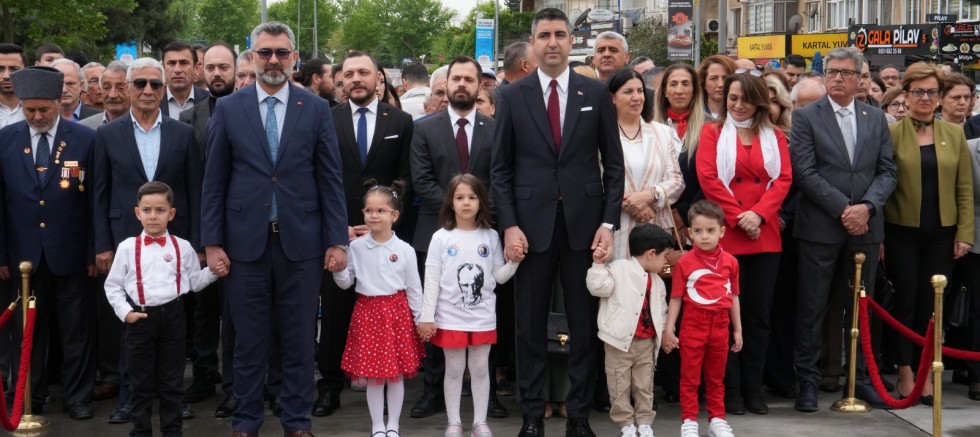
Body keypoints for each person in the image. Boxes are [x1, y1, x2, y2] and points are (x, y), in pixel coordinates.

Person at [202, 21, 349, 437]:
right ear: (251, 57)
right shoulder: (229, 108)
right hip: (243, 244)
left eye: (281, 53)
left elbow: (330, 179)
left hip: (302, 245)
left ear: (294, 58)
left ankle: (297, 421)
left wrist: (337, 240)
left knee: (299, 340)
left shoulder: (316, 109)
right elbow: (214, 180)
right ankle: (246, 422)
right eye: (264, 52)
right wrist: (212, 242)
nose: (272, 60)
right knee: (247, 341)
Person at [492, 8, 625, 437]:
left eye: (560, 34)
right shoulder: (513, 95)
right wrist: (509, 225)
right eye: (545, 35)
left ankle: (579, 415)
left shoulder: (595, 93)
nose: (553, 42)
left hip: (584, 227)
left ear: (571, 42)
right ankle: (532, 414)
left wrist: (608, 223)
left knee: (583, 326)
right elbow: (500, 169)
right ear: (533, 44)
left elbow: (614, 167)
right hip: (530, 229)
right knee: (529, 325)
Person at [790, 46, 896, 412]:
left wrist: (866, 207)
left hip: (866, 228)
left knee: (861, 307)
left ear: (859, 78)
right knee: (813, 307)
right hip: (820, 227)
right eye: (832, 72)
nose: (838, 78)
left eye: (846, 73)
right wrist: (843, 209)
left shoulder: (875, 118)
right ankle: (807, 379)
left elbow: (887, 172)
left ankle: (860, 378)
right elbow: (804, 172)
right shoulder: (807, 117)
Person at [315, 49, 414, 418]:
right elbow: (319, 176)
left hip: (384, 238)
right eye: (350, 74)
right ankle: (329, 387)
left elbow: (405, 178)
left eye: (364, 73)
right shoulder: (327, 119)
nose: (356, 79)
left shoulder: (400, 121)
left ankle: (385, 386)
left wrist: (383, 222)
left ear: (378, 79)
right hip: (339, 233)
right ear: (342, 80)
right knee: (335, 312)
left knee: (383, 315)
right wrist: (335, 224)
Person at [697, 70, 792, 415]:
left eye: (745, 99)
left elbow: (783, 179)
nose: (738, 105)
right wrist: (740, 217)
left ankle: (753, 388)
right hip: (728, 232)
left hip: (764, 233)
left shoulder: (774, 135)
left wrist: (759, 215)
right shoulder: (712, 132)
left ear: (759, 102)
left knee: (758, 316)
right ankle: (730, 390)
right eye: (733, 98)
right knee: (724, 315)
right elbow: (708, 179)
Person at [885, 62, 973, 405]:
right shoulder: (892, 133)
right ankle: (905, 370)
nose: (925, 97)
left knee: (932, 303)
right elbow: (884, 185)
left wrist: (964, 233)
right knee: (905, 301)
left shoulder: (954, 134)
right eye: (918, 91)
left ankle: (926, 371)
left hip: (942, 233)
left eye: (931, 92)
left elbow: (964, 189)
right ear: (906, 96)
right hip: (900, 231)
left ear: (939, 97)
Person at [103, 181, 222, 437]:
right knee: (140, 384)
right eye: (147, 210)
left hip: (174, 318)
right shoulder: (127, 248)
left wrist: (213, 271)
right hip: (140, 318)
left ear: (171, 213)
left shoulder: (182, 246)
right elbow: (113, 286)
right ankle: (141, 431)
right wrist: (126, 313)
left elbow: (194, 282)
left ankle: (172, 431)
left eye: (160, 210)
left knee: (172, 383)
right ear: (137, 213)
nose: (153, 216)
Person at [417, 174, 521, 437]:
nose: (466, 203)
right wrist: (427, 316)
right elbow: (432, 280)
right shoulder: (440, 238)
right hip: (450, 318)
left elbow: (499, 276)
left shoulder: (491, 236)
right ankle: (454, 422)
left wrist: (515, 261)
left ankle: (479, 423)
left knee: (480, 369)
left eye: (472, 197)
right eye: (460, 197)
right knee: (453, 369)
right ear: (450, 202)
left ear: (481, 202)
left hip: (482, 318)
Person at [332, 182, 424, 437]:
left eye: (381, 210)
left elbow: (414, 289)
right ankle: (377, 426)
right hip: (368, 313)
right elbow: (346, 283)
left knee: (396, 375)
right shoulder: (356, 247)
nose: (374, 215)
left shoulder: (405, 250)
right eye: (369, 210)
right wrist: (338, 269)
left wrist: (421, 319)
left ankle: (393, 425)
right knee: (374, 376)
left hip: (397, 315)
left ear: (394, 215)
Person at [661, 200, 742, 437]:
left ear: (722, 231)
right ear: (689, 233)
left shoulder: (731, 262)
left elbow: (733, 296)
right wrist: (669, 329)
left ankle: (717, 419)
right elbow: (676, 298)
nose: (704, 236)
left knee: (716, 377)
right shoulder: (684, 263)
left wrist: (737, 329)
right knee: (690, 377)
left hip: (720, 326)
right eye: (698, 231)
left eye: (710, 230)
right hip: (693, 325)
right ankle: (689, 421)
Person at [586, 224, 672, 437]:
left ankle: (644, 422)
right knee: (619, 385)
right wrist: (598, 265)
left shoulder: (658, 282)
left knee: (645, 385)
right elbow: (598, 287)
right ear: (651, 253)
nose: (666, 262)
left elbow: (661, 311)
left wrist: (665, 333)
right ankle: (626, 424)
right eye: (665, 256)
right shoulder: (618, 269)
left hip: (646, 343)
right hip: (618, 342)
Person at [608, 68, 684, 261]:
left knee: (653, 280)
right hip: (616, 229)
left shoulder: (663, 132)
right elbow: (596, 180)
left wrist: (650, 195)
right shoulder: (601, 133)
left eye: (640, 91)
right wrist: (632, 204)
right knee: (618, 277)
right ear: (612, 98)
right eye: (628, 92)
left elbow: (676, 181)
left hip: (655, 227)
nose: (636, 97)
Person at [698, 55, 737, 119]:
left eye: (725, 78)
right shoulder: (694, 114)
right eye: (713, 78)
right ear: (703, 83)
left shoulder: (740, 114)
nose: (721, 84)